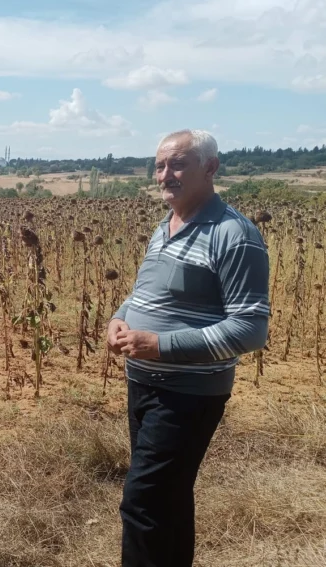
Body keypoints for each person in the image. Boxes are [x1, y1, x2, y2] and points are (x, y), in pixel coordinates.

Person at [108, 130, 269, 567]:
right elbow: (144, 293)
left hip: (188, 394)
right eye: (160, 165)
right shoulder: (166, 226)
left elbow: (251, 329)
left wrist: (159, 344)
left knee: (142, 502)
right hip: (144, 385)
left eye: (177, 164)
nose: (165, 174)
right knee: (169, 499)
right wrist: (119, 318)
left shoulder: (234, 235)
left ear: (210, 168)